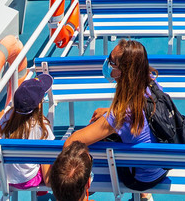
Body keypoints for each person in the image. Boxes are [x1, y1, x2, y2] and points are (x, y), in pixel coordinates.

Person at [66, 39, 167, 198]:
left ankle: (83, 188)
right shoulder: (152, 85)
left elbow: (72, 141)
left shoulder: (121, 114)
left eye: (111, 62)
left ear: (121, 71)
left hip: (140, 179)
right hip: (162, 168)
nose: (107, 63)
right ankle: (145, 196)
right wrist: (108, 112)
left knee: (93, 140)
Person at [0, 72, 55, 193]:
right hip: (30, 179)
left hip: (8, 178)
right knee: (47, 154)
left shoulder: (7, 117)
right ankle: (44, 187)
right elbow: (48, 156)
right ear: (39, 104)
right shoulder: (42, 127)